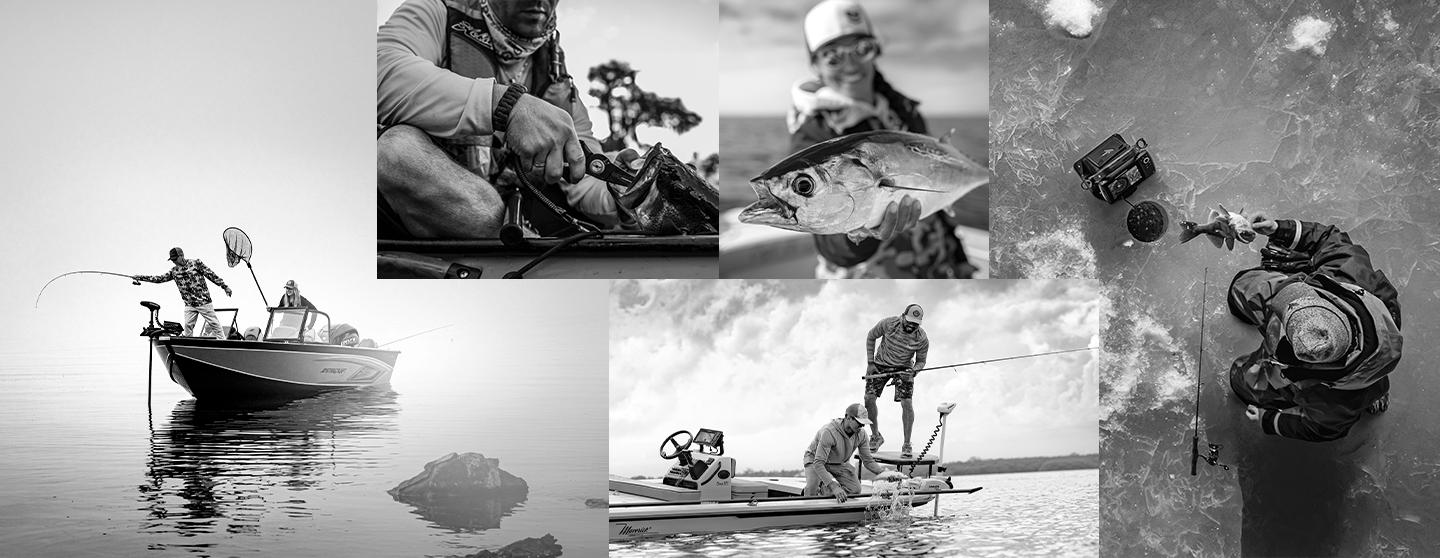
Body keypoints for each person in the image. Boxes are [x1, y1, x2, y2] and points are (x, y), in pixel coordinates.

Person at [377, 0, 635, 239]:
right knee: (397, 151)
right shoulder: (436, 12)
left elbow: (585, 180)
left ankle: (529, 257)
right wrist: (506, 106)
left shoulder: (555, 77)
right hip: (409, 218)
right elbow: (377, 71)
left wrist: (625, 191)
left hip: (514, 226)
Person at [788, 0, 975, 278]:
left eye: (860, 49)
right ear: (815, 64)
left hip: (936, 265)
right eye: (833, 56)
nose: (850, 65)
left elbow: (936, 189)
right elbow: (829, 244)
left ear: (875, 50)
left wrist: (958, 257)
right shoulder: (812, 132)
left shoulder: (903, 113)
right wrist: (859, 230)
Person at [1228, 215, 1402, 442]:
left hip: (1338, 380)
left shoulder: (1334, 402)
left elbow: (1320, 428)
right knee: (1243, 287)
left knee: (1242, 382)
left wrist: (1268, 420)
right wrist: (1279, 228)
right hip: (1320, 301)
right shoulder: (1348, 271)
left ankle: (1374, 388)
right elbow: (1328, 237)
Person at [803, 403, 906, 503]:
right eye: (859, 422)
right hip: (815, 460)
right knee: (812, 490)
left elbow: (868, 460)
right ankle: (815, 490)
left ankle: (824, 489)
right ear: (848, 417)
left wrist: (883, 473)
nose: (862, 425)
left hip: (838, 462)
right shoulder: (829, 431)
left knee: (855, 489)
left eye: (863, 423)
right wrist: (833, 486)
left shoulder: (861, 435)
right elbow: (818, 463)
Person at [864, 304, 929, 457]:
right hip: (880, 364)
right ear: (903, 316)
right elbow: (871, 336)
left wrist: (914, 372)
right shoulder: (888, 324)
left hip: (904, 368)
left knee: (906, 402)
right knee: (869, 398)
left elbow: (921, 361)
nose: (911, 326)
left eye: (915, 324)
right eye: (909, 322)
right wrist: (870, 362)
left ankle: (907, 444)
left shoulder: (922, 338)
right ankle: (876, 436)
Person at [133, 247, 232, 339]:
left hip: (204, 302)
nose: (174, 261)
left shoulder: (196, 263)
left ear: (182, 256)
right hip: (189, 305)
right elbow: (159, 279)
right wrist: (141, 278)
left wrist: (224, 287)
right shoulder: (174, 271)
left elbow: (211, 275)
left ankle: (223, 342)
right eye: (172, 260)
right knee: (188, 326)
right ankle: (189, 345)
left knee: (214, 324)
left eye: (175, 259)